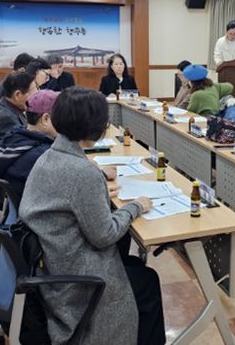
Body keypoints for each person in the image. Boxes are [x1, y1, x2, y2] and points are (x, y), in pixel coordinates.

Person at [20, 87, 165, 345]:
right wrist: (136, 206)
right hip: (75, 281)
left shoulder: (49, 155)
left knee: (133, 264)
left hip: (54, 264)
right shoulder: (82, 172)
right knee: (147, 281)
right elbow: (104, 236)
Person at [0, 90, 59, 204]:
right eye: (62, 117)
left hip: (18, 203)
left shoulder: (16, 136)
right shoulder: (42, 155)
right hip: (34, 208)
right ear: (45, 119)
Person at [0, 71, 36, 149]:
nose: (37, 96)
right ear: (17, 95)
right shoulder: (5, 118)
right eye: (34, 93)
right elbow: (20, 146)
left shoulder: (9, 105)